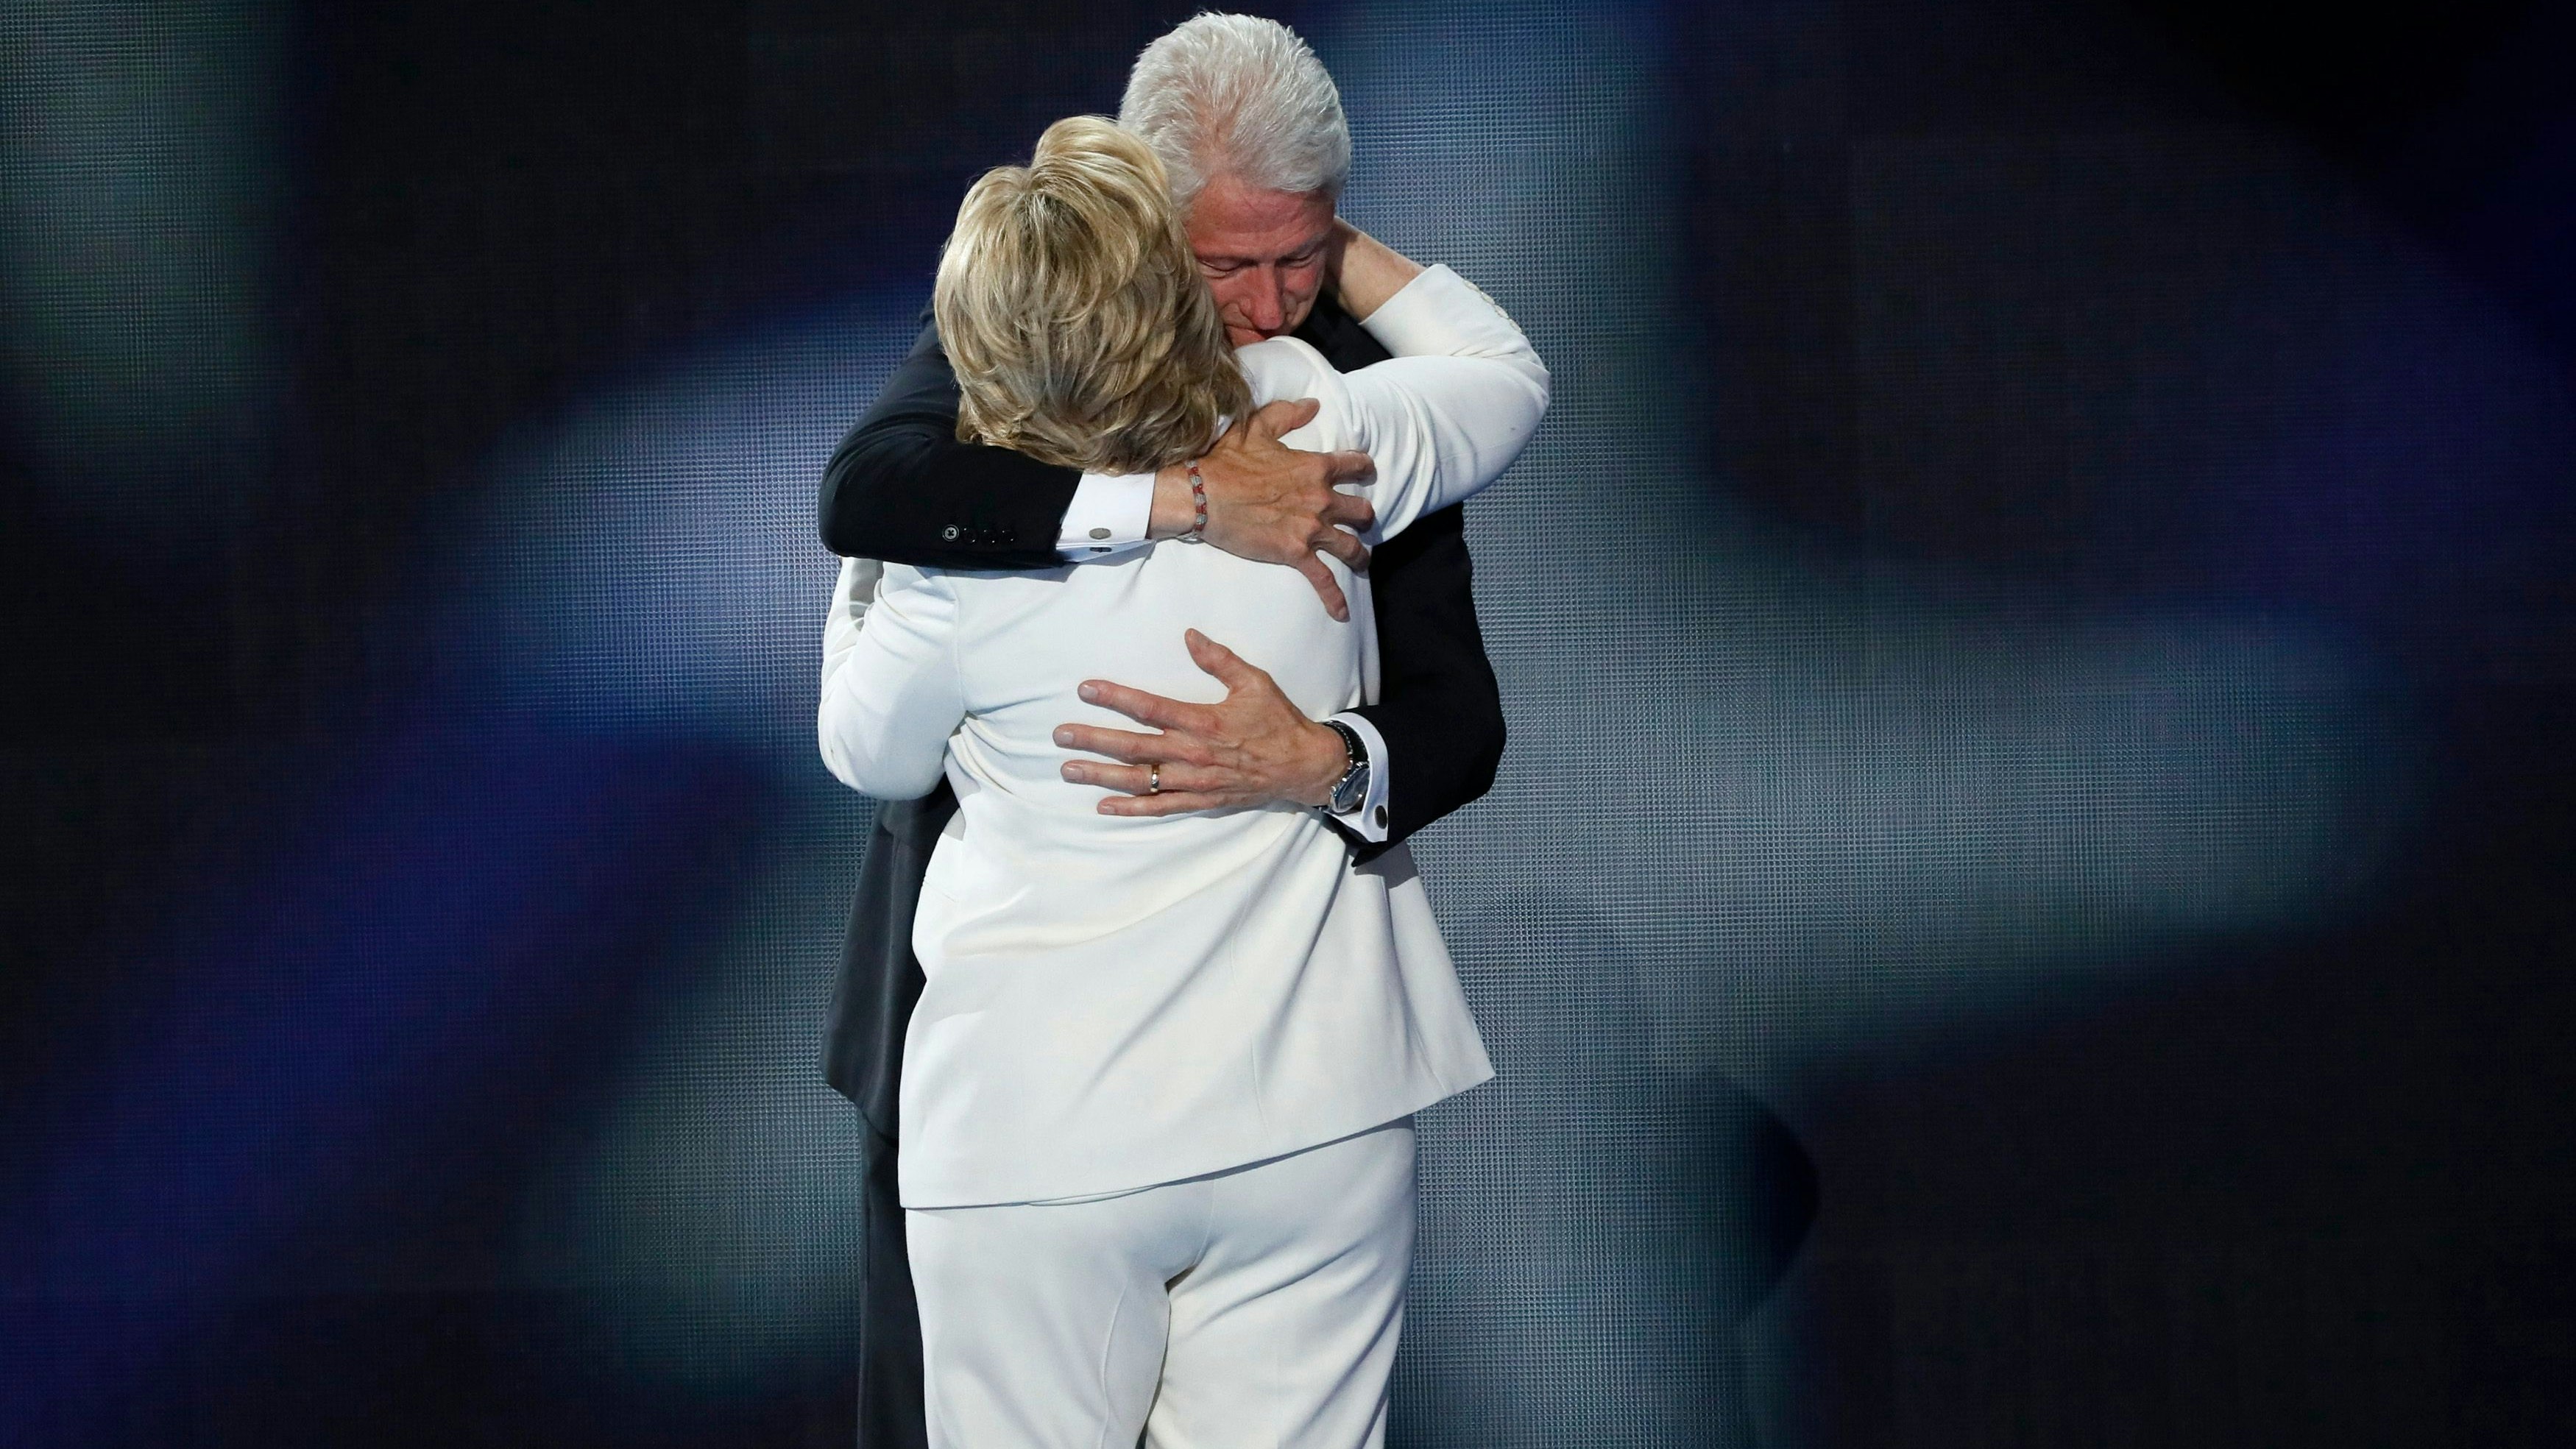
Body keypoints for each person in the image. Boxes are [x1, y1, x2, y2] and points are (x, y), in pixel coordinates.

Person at [813, 16, 1515, 1445]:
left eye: (1301, 255)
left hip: (1043, 1114)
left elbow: (866, 731)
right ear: (1139, 225)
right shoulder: (1327, 421)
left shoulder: (980, 542)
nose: (1269, 302)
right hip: (1299, 1105)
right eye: (1226, 259)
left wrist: (1328, 759)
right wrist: (1184, 502)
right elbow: (867, 484)